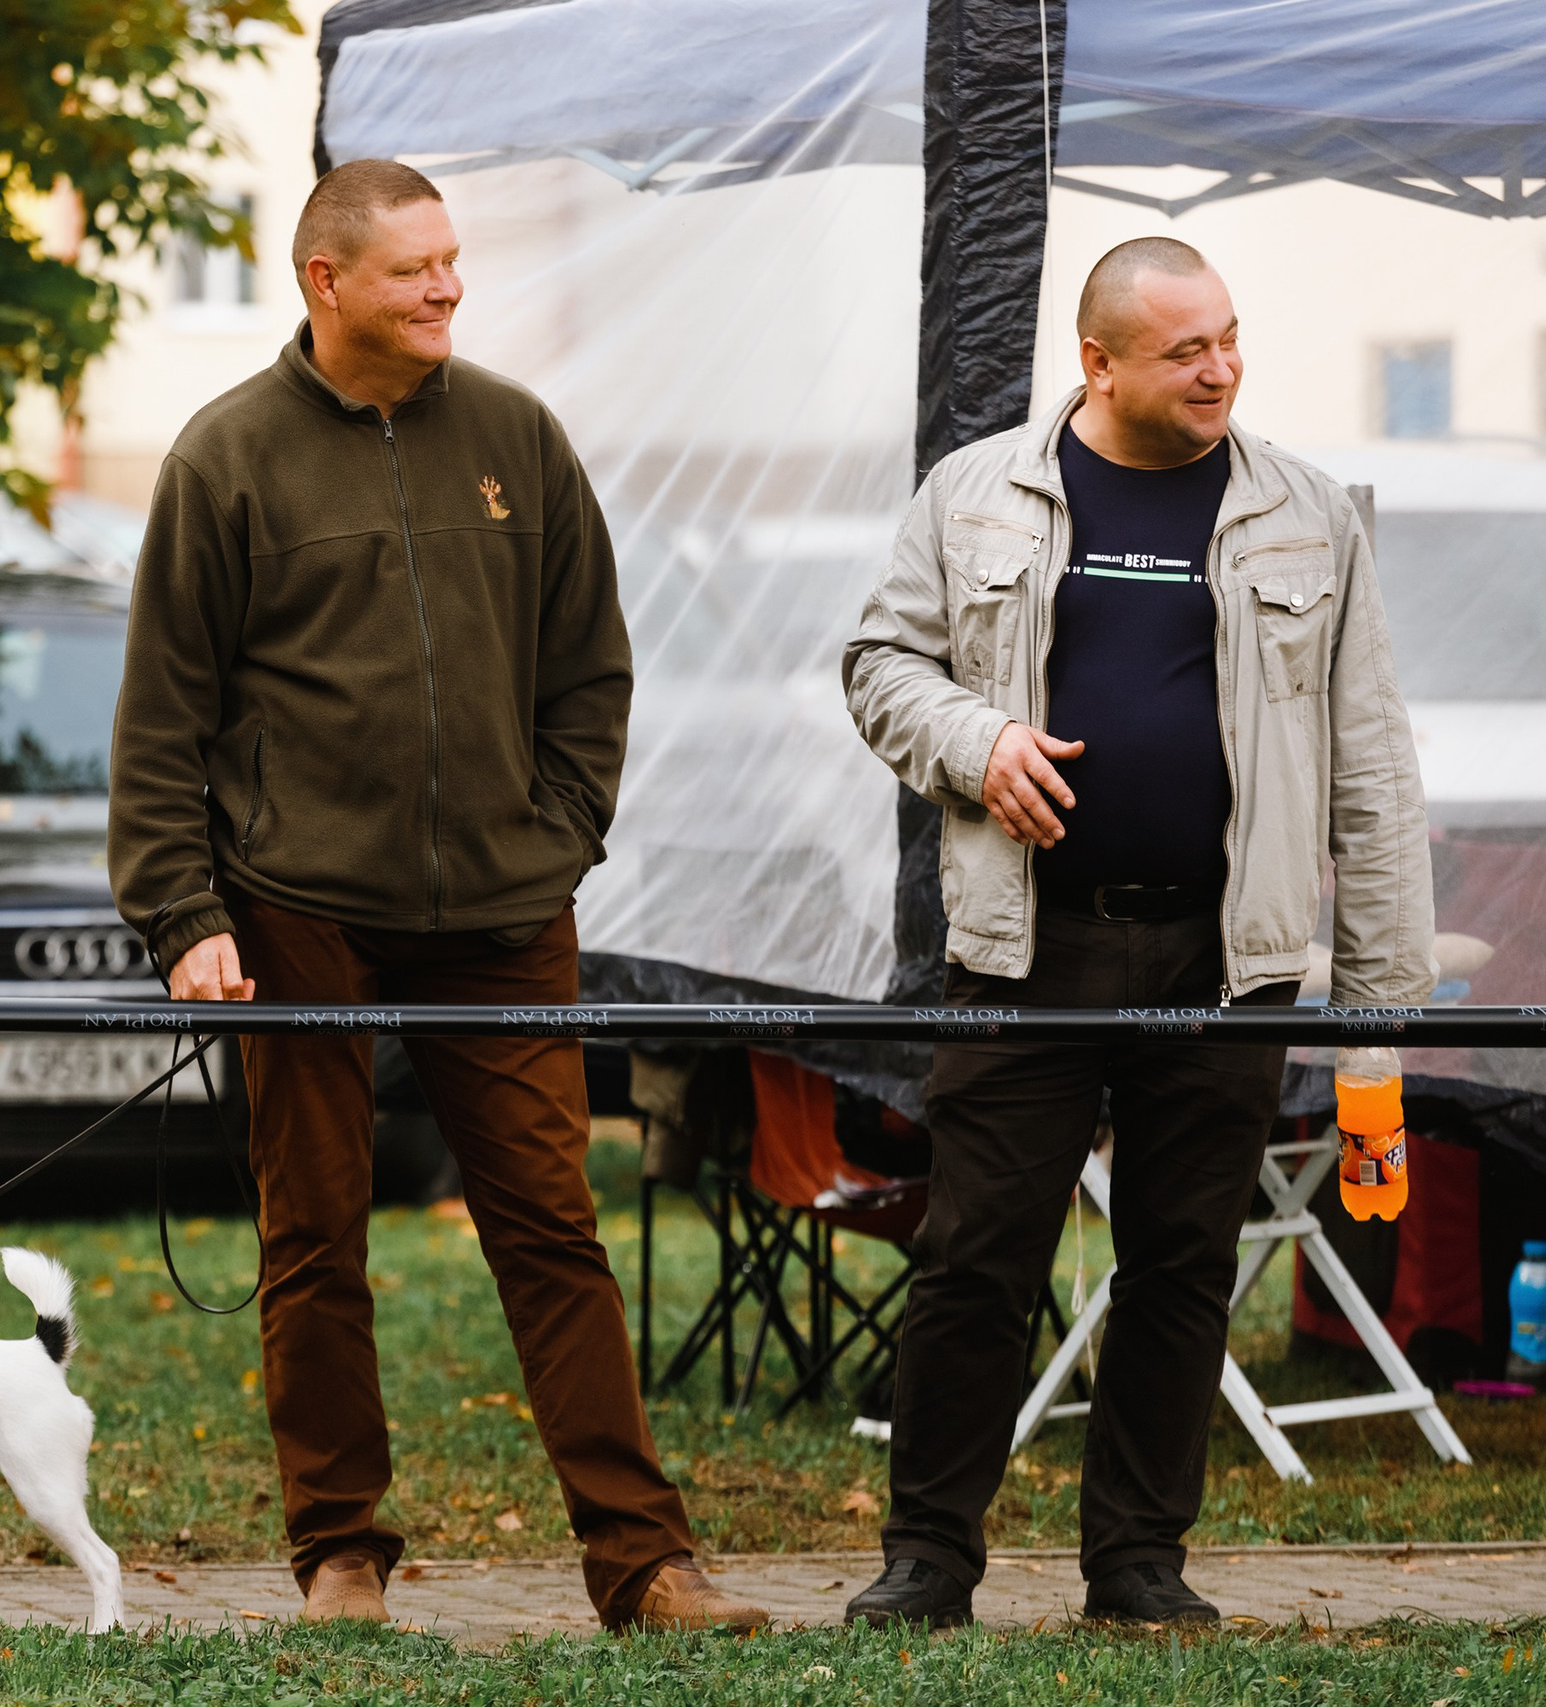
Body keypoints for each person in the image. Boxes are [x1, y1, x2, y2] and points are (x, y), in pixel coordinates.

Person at [109, 159, 765, 1635]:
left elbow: (592, 663)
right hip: (296, 902)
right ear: (325, 282)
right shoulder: (226, 458)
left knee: (550, 1228)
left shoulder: (516, 438)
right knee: (315, 1233)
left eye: (453, 263)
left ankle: (646, 1563)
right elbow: (163, 716)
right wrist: (185, 912)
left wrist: (562, 831)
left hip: (505, 907)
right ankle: (341, 1553)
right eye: (415, 270)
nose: (448, 290)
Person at [840, 237, 1433, 1627]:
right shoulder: (975, 493)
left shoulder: (1304, 512)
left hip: (1228, 958)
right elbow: (879, 665)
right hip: (1022, 946)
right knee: (978, 1257)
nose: (1221, 367)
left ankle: (1139, 1569)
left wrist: (1383, 1021)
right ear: (1097, 363)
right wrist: (974, 745)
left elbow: (1373, 764)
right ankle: (927, 1560)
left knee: (1181, 1264)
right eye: (1186, 350)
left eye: (1229, 338)